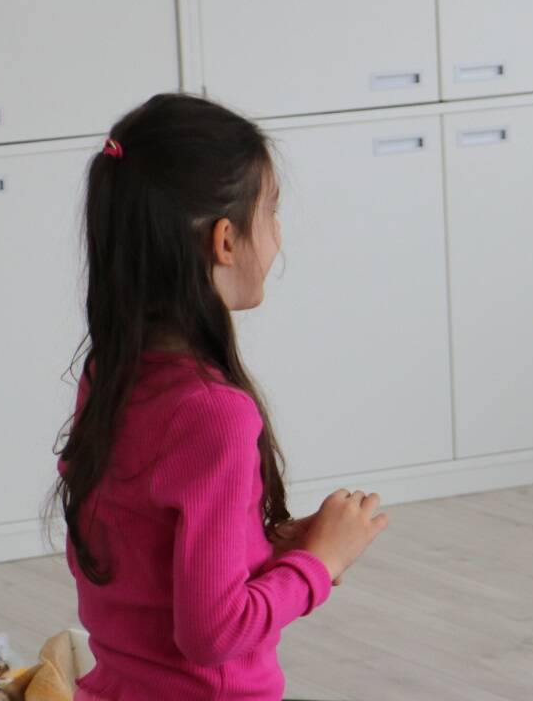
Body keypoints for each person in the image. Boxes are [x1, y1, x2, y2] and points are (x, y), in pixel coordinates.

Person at [53, 94, 389, 701]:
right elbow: (214, 632)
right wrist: (321, 565)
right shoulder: (215, 415)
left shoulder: (110, 373)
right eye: (273, 212)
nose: (279, 235)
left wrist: (275, 546)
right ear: (226, 241)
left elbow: (149, 555)